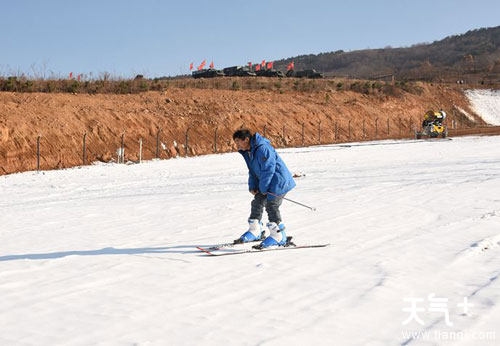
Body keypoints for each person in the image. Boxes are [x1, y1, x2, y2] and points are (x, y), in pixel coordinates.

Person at [232, 129, 296, 249]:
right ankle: (255, 231)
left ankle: (279, 236)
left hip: (279, 181)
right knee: (257, 202)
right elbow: (253, 170)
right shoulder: (248, 151)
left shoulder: (262, 148)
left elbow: (268, 169)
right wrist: (253, 186)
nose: (237, 145)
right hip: (267, 182)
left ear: (246, 140)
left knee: (272, 205)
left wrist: (263, 188)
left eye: (238, 141)